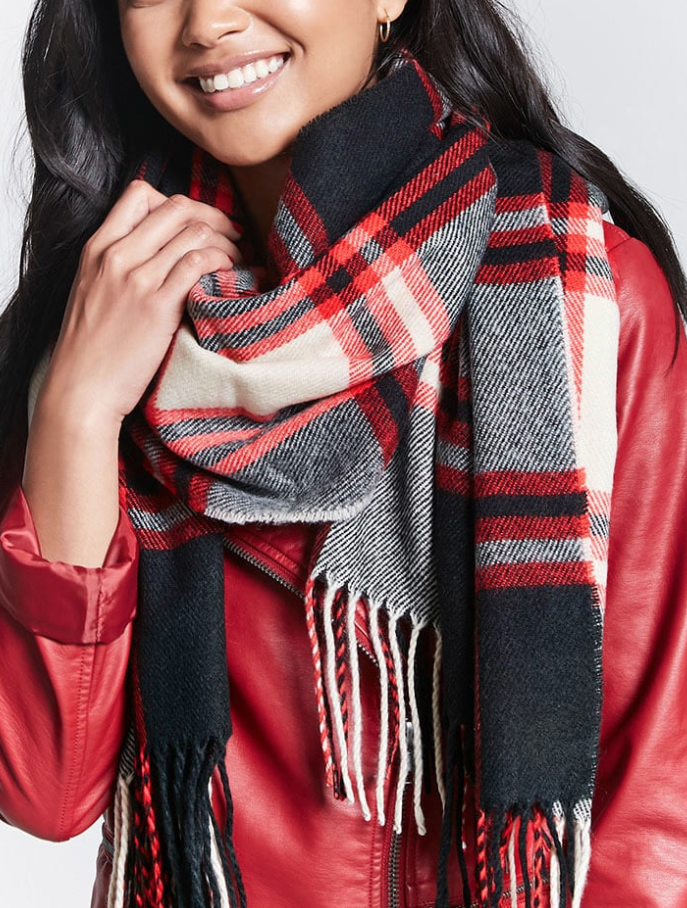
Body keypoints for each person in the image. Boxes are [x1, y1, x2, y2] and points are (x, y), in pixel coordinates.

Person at [0, 0, 686, 906]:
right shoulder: (109, 308)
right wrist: (79, 408)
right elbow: (45, 790)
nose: (207, 22)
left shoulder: (578, 295)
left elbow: (654, 809)